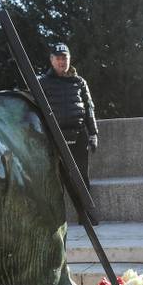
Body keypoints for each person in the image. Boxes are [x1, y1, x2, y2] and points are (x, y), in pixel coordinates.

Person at [38, 43, 99, 188]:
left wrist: (93, 133)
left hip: (79, 135)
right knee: (54, 180)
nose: (62, 62)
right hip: (53, 136)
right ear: (52, 60)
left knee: (82, 176)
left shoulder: (80, 82)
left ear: (69, 59)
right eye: (58, 58)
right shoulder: (42, 83)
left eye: (64, 58)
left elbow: (89, 107)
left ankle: (85, 211)